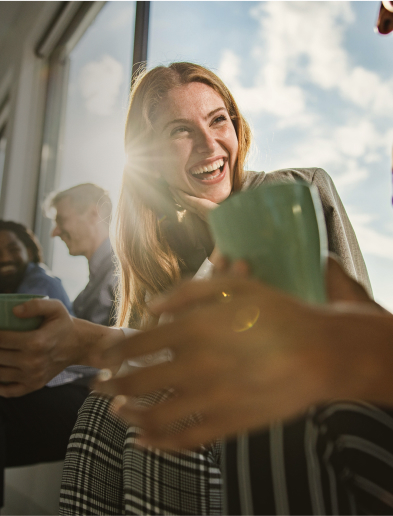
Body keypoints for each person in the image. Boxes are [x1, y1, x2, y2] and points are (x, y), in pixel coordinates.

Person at [54, 62, 371, 515]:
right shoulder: (159, 246)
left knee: (170, 403)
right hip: (230, 421)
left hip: (307, 409)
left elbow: (346, 340)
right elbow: (150, 360)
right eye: (180, 131)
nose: (209, 144)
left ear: (236, 127)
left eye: (218, 119)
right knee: (102, 413)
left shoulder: (296, 191)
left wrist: (227, 238)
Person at [0, 220, 91, 509]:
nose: (4, 257)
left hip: (70, 388)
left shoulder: (40, 283)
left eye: (12, 248)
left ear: (29, 251)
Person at [45, 183, 116, 326]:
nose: (55, 233)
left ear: (93, 214)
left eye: (62, 220)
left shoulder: (120, 274)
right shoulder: (96, 283)